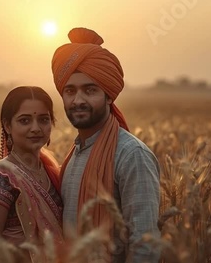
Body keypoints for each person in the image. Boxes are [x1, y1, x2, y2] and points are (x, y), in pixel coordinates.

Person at [51, 27, 161, 262]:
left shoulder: (132, 155)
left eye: (90, 90)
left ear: (109, 95)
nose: (78, 100)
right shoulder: (74, 155)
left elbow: (145, 245)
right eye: (70, 91)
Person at [0, 86, 64, 263]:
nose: (36, 128)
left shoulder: (52, 172)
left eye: (44, 119)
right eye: (25, 121)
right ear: (7, 125)